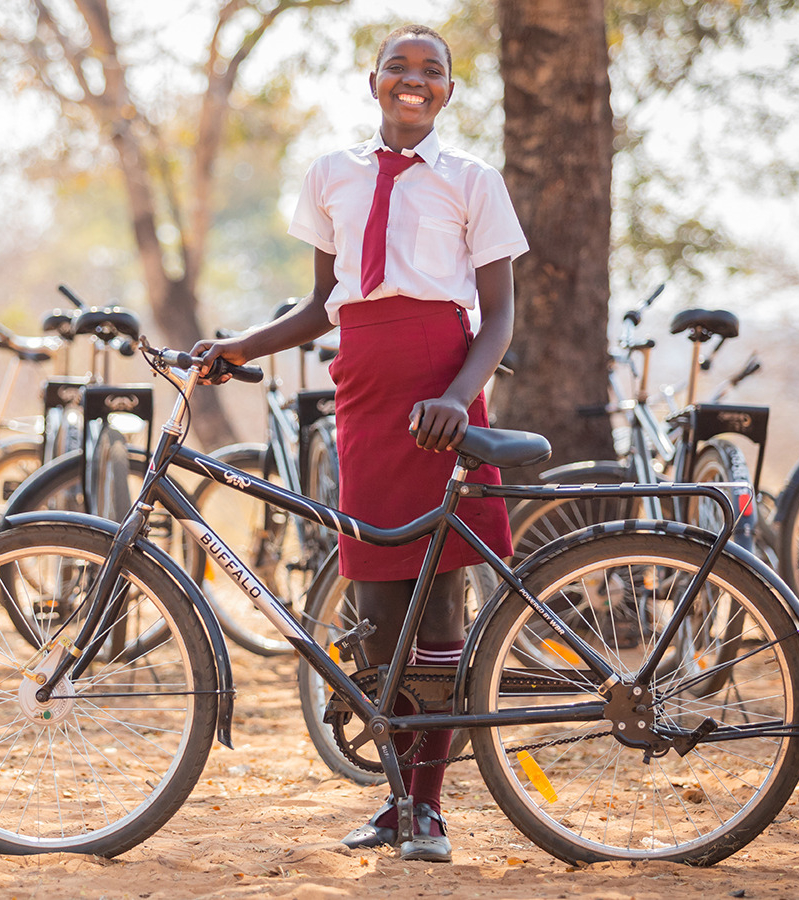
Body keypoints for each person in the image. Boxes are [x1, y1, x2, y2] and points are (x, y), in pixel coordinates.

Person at [194, 23, 529, 863]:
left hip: (440, 387)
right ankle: (394, 800)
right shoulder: (331, 176)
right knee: (377, 611)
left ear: (449, 91)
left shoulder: (472, 181)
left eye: (432, 72)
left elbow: (499, 315)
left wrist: (457, 397)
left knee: (439, 602)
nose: (413, 81)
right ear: (372, 81)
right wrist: (239, 346)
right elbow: (321, 305)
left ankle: (430, 809)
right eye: (398, 67)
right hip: (364, 391)